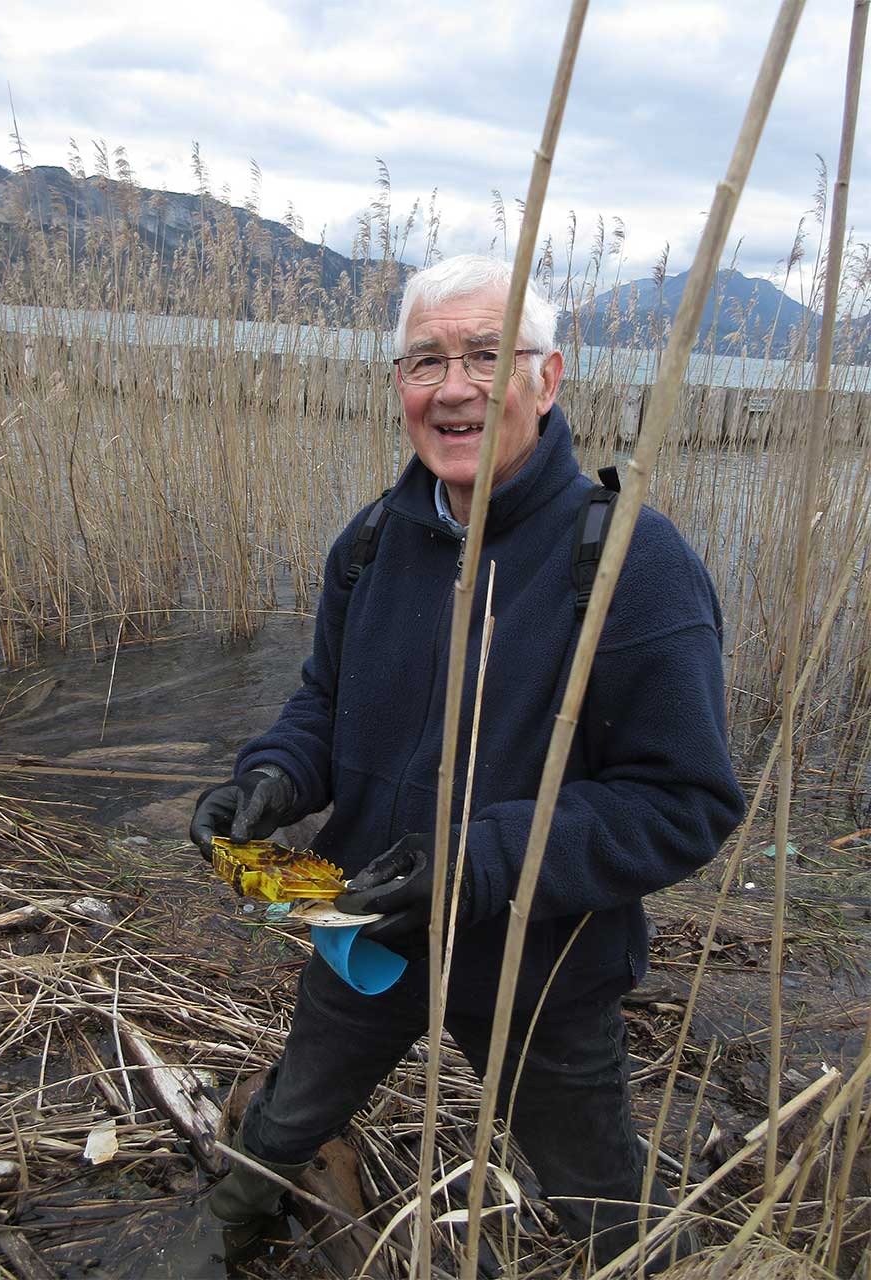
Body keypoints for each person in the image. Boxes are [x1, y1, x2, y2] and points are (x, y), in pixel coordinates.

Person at [190, 255, 746, 1269]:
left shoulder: (630, 561)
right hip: (371, 929)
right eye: (426, 360)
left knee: (604, 1201)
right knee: (282, 1124)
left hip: (543, 964)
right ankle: (230, 1228)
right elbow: (324, 701)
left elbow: (686, 801)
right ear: (399, 384)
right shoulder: (370, 542)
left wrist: (482, 858)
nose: (454, 388)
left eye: (489, 356)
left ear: (550, 376)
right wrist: (269, 775)